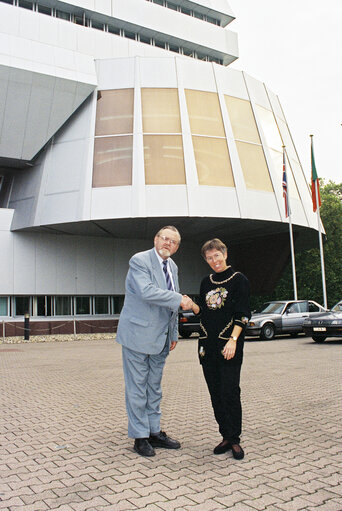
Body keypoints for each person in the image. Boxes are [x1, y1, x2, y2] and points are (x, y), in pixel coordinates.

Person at [116, 226, 192, 457]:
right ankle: (140, 437)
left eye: (173, 242)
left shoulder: (173, 266)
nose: (168, 243)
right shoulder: (139, 260)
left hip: (161, 339)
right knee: (137, 388)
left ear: (177, 247)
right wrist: (181, 299)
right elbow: (147, 292)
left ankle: (154, 431)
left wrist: (174, 333)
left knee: (154, 388)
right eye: (165, 238)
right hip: (137, 337)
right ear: (156, 239)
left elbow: (171, 305)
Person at [189, 238, 251, 460]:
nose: (214, 260)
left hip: (228, 345)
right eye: (209, 257)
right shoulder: (206, 282)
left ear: (225, 254)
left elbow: (243, 314)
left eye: (217, 255)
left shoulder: (238, 280)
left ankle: (235, 439)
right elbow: (203, 312)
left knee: (230, 392)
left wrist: (233, 340)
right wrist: (191, 305)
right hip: (207, 346)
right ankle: (225, 435)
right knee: (215, 393)